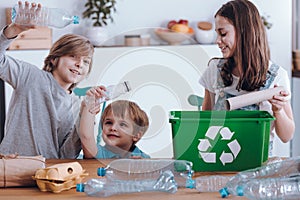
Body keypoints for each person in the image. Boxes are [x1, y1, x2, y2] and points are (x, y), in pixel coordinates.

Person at [199, 0, 295, 155]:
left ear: (244, 32)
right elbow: (205, 124)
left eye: (223, 34)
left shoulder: (276, 76)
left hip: (258, 166)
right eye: (217, 34)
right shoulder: (215, 70)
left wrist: (278, 110)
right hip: (221, 161)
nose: (218, 41)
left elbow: (287, 136)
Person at [0, 1, 94, 158]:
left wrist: (85, 118)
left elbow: (66, 155)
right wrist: (14, 30)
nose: (79, 64)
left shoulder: (75, 105)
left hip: (47, 173)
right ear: (54, 59)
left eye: (86, 62)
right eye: (73, 56)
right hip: (11, 166)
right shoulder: (29, 76)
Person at [79, 95, 150, 159]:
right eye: (109, 122)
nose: (113, 128)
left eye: (122, 124)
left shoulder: (144, 158)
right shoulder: (98, 153)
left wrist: (143, 167)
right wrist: (90, 104)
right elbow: (86, 136)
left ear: (136, 135)